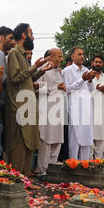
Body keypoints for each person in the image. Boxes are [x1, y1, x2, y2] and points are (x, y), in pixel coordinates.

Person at [5, 23, 50, 175]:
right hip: (19, 107)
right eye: (31, 33)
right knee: (19, 145)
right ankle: (17, 179)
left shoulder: (23, 55)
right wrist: (33, 67)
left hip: (28, 105)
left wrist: (40, 69)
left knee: (28, 143)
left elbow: (27, 80)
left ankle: (24, 178)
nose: (33, 37)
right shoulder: (13, 53)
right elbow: (15, 77)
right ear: (24, 35)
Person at [62, 47, 97, 160]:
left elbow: (91, 89)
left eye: (83, 54)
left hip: (87, 107)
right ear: (73, 56)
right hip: (75, 107)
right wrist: (82, 79)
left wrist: (90, 80)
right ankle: (73, 163)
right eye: (79, 54)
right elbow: (67, 89)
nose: (82, 56)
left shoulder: (86, 70)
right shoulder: (67, 71)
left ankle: (85, 163)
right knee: (74, 137)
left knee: (87, 136)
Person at [36, 49, 65, 178]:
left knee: (57, 140)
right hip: (46, 109)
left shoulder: (59, 71)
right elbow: (35, 85)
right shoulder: (43, 68)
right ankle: (43, 170)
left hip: (58, 109)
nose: (62, 59)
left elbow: (63, 88)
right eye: (59, 56)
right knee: (46, 140)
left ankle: (53, 169)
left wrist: (63, 88)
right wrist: (54, 88)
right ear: (51, 57)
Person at [90, 55, 104, 159]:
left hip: (103, 111)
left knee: (101, 138)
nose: (98, 64)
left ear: (102, 64)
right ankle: (89, 163)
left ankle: (99, 162)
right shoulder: (87, 75)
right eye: (96, 62)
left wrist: (103, 90)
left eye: (100, 62)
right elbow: (84, 91)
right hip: (91, 111)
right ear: (92, 63)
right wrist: (97, 89)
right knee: (90, 139)